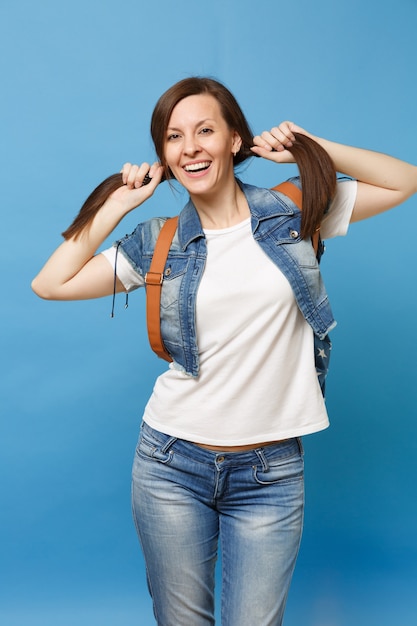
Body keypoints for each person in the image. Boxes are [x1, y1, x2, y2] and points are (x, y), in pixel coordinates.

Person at [31, 77, 417, 626]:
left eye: (205, 130)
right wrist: (118, 204)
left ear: (235, 140)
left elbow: (405, 182)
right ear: (164, 154)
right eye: (173, 137)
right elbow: (50, 283)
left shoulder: (295, 210)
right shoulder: (158, 241)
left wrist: (313, 148)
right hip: (171, 466)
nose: (190, 146)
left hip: (271, 472)